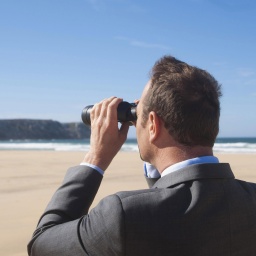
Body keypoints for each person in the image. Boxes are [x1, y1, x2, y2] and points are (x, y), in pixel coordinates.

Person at [28, 56, 256, 256]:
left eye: (139, 113)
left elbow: (41, 244)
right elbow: (173, 196)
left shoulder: (123, 215)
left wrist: (94, 159)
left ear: (154, 125)